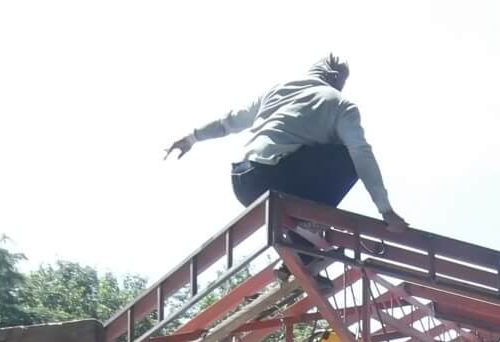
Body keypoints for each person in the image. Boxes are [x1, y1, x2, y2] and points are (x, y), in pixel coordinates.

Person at [165, 55, 407, 232]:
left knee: (327, 151)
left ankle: (300, 248)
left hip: (244, 182)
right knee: (348, 158)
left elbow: (229, 123)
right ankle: (309, 228)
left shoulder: (276, 90)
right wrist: (385, 210)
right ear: (336, 79)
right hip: (277, 180)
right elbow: (361, 153)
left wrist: (192, 138)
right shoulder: (340, 104)